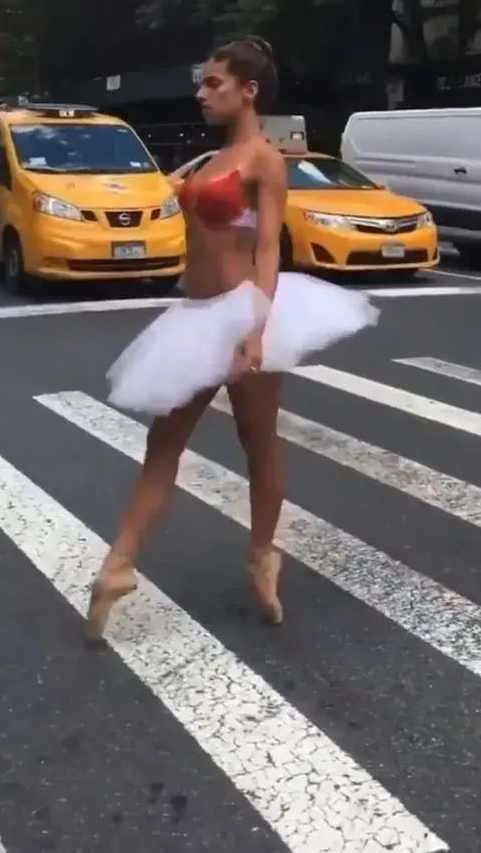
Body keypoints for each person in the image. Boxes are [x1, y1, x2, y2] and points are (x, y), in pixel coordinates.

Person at [87, 36, 378, 639]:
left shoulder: (264, 160)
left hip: (242, 311)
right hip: (194, 316)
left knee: (258, 441)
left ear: (249, 91)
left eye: (214, 83)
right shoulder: (208, 162)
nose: (202, 93)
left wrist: (256, 328)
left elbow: (270, 246)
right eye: (203, 82)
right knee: (162, 446)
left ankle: (261, 553)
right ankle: (118, 565)